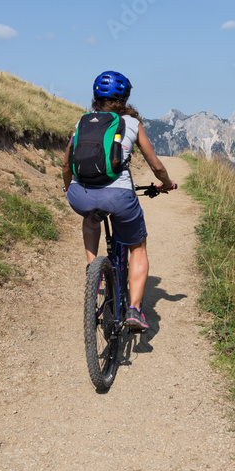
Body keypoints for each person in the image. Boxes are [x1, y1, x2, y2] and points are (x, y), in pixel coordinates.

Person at [62, 71, 175, 332]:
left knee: (90, 217)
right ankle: (134, 309)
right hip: (119, 197)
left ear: (95, 98)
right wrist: (166, 184)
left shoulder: (82, 123)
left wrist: (69, 187)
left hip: (81, 195)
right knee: (138, 246)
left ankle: (93, 268)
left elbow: (67, 163)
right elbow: (155, 166)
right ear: (124, 98)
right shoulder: (132, 124)